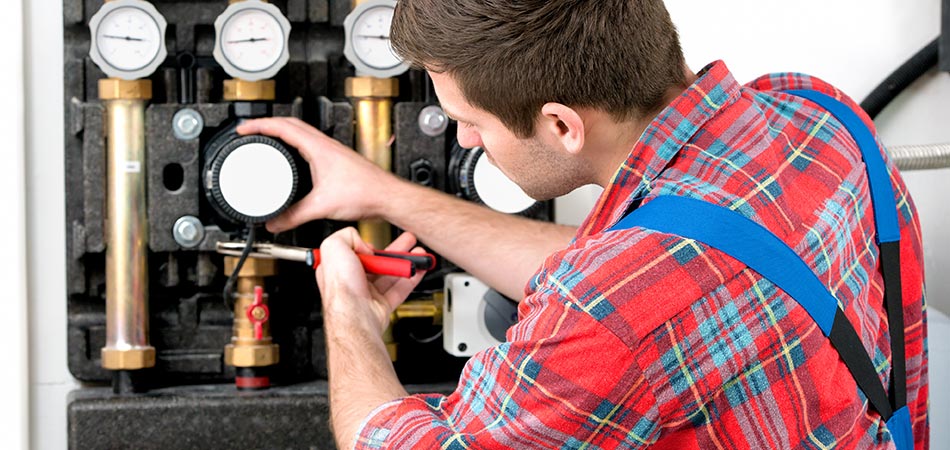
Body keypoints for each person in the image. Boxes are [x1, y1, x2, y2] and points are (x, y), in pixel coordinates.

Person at [237, 0, 929, 448]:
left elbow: (400, 445)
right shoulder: (814, 115)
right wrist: (384, 194)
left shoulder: (611, 310)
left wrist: (349, 318)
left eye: (470, 123)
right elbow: (640, 271)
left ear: (562, 125)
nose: (468, 142)